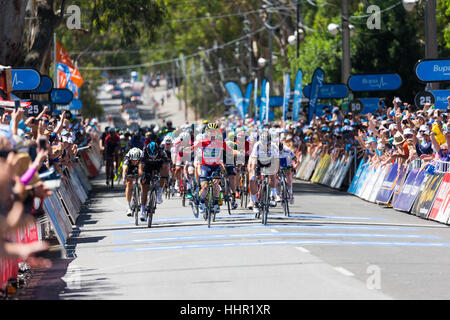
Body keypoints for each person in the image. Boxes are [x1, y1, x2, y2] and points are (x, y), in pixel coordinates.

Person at [248, 130, 280, 214]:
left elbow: (276, 161)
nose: (266, 146)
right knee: (252, 179)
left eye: (267, 144)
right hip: (259, 162)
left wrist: (277, 172)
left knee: (273, 175)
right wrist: (253, 173)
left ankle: (273, 194)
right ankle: (255, 202)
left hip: (270, 162)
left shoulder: (274, 146)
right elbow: (254, 160)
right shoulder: (257, 145)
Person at [138, 141, 169, 221]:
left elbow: (165, 167)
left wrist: (165, 177)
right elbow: (140, 168)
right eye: (151, 156)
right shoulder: (144, 152)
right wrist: (143, 176)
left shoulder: (162, 152)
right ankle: (143, 210)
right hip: (148, 166)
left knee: (163, 175)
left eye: (154, 155)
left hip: (158, 165)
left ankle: (159, 191)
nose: (153, 157)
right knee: (144, 189)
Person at [122, 147, 142, 216]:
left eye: (136, 160)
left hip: (140, 166)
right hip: (130, 168)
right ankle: (128, 206)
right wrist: (124, 178)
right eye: (133, 160)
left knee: (143, 181)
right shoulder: (127, 159)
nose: (134, 162)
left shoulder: (142, 156)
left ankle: (142, 198)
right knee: (129, 183)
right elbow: (124, 171)